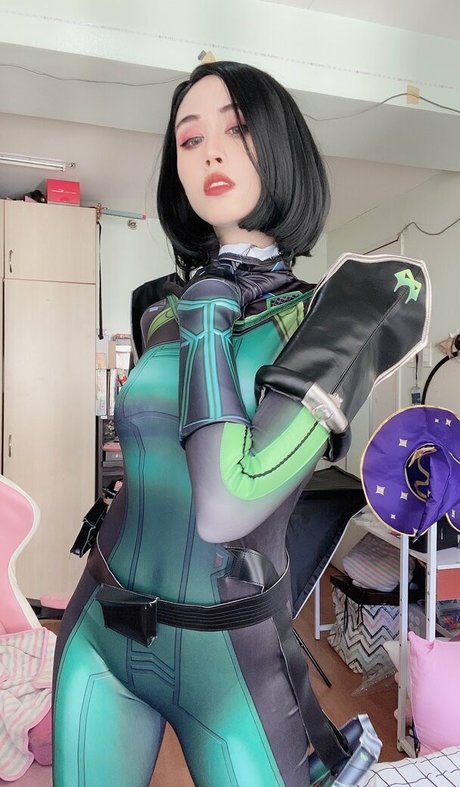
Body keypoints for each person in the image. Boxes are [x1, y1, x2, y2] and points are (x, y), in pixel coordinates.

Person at [52, 61, 429, 787]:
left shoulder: (349, 307)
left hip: (227, 661)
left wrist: (209, 313)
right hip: (102, 623)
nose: (211, 153)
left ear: (281, 145)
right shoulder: (155, 305)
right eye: (190, 140)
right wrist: (200, 301)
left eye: (238, 129)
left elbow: (228, 501)